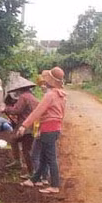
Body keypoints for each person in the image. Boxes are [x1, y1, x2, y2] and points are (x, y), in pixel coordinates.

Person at [19, 66, 67, 194]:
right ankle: (34, 180)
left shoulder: (49, 95)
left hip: (48, 129)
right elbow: (61, 115)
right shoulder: (61, 96)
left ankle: (55, 185)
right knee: (45, 157)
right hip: (55, 129)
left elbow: (38, 112)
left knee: (50, 158)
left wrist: (24, 125)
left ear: (49, 81)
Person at [2, 76, 39, 175]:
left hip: (25, 126)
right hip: (33, 125)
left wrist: (6, 109)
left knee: (26, 149)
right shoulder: (33, 97)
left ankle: (31, 172)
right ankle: (20, 163)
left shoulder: (23, 97)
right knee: (14, 140)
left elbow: (16, 110)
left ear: (20, 89)